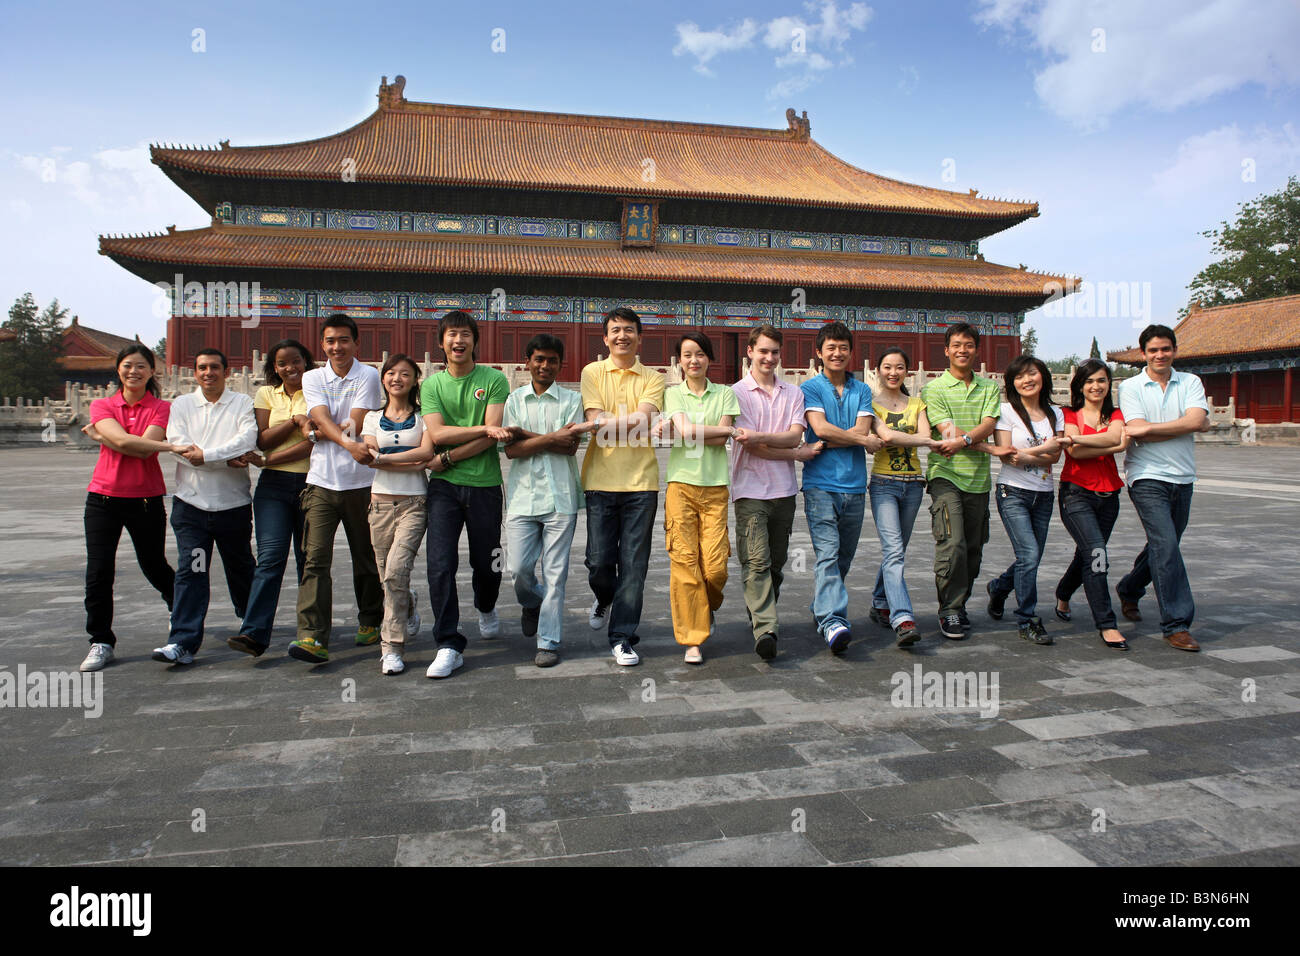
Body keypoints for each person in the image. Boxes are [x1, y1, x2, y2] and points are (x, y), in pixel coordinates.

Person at [421, 310, 515, 679]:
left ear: (475, 341)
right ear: (441, 341)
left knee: (487, 561)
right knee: (439, 564)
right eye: (451, 335)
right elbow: (439, 432)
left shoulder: (493, 379)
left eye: (465, 335)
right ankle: (448, 641)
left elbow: (486, 434)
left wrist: (445, 456)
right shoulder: (431, 385)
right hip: (443, 489)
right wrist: (480, 431)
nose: (458, 341)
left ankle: (486, 605)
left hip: (485, 485)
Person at [78, 344, 182, 672]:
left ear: (153, 371)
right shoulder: (103, 404)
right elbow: (127, 443)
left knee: (153, 564)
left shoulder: (162, 408)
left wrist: (100, 436)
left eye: (141, 366)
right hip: (103, 498)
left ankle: (178, 613)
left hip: (146, 499)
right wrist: (167, 446)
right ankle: (101, 640)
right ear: (118, 370)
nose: (133, 371)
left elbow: (140, 452)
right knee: (98, 571)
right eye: (127, 366)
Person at [288, 314, 385, 664]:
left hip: (362, 484)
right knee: (315, 559)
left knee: (366, 556)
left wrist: (324, 431)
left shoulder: (368, 374)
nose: (336, 347)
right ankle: (312, 636)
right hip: (321, 483)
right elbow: (321, 416)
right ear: (322, 344)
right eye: (330, 341)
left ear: (356, 343)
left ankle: (371, 620)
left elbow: (353, 421)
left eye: (343, 340)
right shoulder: (313, 377)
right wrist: (345, 443)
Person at [153, 348, 260, 665]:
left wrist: (205, 457)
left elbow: (247, 441)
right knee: (192, 569)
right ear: (194, 373)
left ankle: (250, 623)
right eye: (202, 368)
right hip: (193, 506)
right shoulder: (183, 405)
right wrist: (222, 460)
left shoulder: (241, 403)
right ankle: (183, 640)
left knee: (240, 567)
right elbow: (178, 445)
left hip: (233, 505)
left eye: (214, 367)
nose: (208, 373)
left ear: (227, 372)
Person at [1115, 324, 1212, 652]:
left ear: (1174, 350)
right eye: (1153, 350)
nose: (1159, 355)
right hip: (1146, 476)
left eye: (1165, 349)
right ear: (1143, 353)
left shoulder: (1190, 382)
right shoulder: (1131, 387)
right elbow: (1139, 430)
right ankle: (1177, 623)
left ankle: (1129, 588)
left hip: (1183, 477)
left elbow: (1191, 421)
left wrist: (1152, 429)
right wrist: (1186, 425)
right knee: (1167, 546)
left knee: (1163, 545)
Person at [729, 325, 822, 662]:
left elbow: (794, 436)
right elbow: (754, 448)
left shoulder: (793, 394)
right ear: (750, 352)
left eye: (775, 352)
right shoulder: (736, 393)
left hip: (783, 490)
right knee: (756, 560)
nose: (769, 358)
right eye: (763, 351)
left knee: (777, 563)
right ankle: (766, 628)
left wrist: (766, 438)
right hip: (750, 490)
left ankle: (759, 611)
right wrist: (791, 450)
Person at [502, 334, 594, 668]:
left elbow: (570, 446)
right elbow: (510, 450)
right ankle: (532, 602)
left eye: (552, 360)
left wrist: (526, 435)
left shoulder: (572, 400)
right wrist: (551, 437)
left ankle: (548, 641)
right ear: (527, 362)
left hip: (561, 497)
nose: (544, 366)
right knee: (518, 570)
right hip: (523, 497)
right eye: (538, 359)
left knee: (555, 574)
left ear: (559, 364)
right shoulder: (514, 400)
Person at [581, 307, 666, 666]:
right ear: (605, 338)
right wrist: (629, 423)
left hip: (640, 483)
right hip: (600, 480)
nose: (622, 336)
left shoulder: (654, 377)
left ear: (639, 337)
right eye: (615, 330)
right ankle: (604, 597)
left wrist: (611, 421)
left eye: (629, 330)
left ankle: (623, 636)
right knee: (599, 561)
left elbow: (640, 419)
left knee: (634, 565)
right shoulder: (592, 372)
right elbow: (594, 421)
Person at [651, 331, 741, 664]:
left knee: (716, 567)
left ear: (709, 358)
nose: (694, 360)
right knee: (685, 562)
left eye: (700, 354)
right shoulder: (672, 395)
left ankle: (704, 607)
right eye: (687, 355)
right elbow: (695, 433)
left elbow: (716, 441)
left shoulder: (726, 394)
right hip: (681, 486)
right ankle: (692, 639)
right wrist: (721, 430)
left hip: (716, 486)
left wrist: (711, 432)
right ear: (679, 361)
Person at [229, 339, 315, 656]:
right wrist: (295, 421)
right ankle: (253, 633)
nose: (290, 367)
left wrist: (267, 459)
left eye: (296, 360)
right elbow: (262, 439)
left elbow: (314, 442)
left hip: (311, 483)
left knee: (310, 562)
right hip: (273, 488)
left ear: (306, 361)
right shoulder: (266, 394)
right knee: (270, 559)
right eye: (282, 363)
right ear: (274, 368)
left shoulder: (318, 390)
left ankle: (312, 633)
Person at [800, 321, 881, 654]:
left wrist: (834, 438)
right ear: (819, 353)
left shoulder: (862, 390)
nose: (837, 353)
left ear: (850, 352)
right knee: (828, 554)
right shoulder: (810, 388)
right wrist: (859, 440)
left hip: (854, 485)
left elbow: (843, 432)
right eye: (830, 347)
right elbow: (821, 428)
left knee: (843, 557)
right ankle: (833, 619)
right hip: (820, 484)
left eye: (843, 347)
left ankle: (822, 605)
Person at [921, 323, 1001, 640]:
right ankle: (949, 610)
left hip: (978, 479)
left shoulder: (989, 388)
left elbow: (989, 423)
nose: (962, 350)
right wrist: (971, 438)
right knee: (951, 544)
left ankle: (960, 603)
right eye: (956, 345)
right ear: (946, 350)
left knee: (973, 548)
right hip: (945, 474)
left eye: (968, 344)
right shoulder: (934, 389)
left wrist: (967, 439)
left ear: (976, 349)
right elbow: (945, 430)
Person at [362, 354, 437, 675]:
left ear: (414, 379)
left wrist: (386, 458)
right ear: (383, 379)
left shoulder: (424, 418)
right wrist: (408, 460)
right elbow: (367, 454)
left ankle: (391, 647)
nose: (397, 378)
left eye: (404, 374)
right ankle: (407, 601)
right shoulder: (369, 418)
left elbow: (426, 454)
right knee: (387, 578)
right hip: (379, 504)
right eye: (391, 373)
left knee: (395, 571)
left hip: (414, 503)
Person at [984, 355, 1067, 645]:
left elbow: (1056, 456)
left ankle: (999, 587)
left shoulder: (1056, 413)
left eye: (1032, 374)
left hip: (1043, 494)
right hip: (1013, 492)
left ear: (1042, 376)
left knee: (1029, 557)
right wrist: (1042, 450)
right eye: (1019, 376)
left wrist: (1029, 454)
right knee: (1030, 555)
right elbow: (1008, 454)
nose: (1027, 380)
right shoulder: (1006, 411)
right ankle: (1028, 619)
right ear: (1012, 383)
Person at [1053, 359, 1130, 650]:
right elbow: (1074, 452)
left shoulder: (1116, 413)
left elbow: (1102, 438)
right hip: (1076, 494)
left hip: (1109, 496)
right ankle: (1107, 624)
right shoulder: (1069, 413)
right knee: (1098, 554)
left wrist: (1089, 441)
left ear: (1109, 384)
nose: (1096, 386)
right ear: (1080, 386)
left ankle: (1063, 591)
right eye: (1089, 381)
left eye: (1101, 380)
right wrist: (1116, 445)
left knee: (1088, 554)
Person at [867, 348, 940, 647]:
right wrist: (924, 441)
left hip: (912, 485)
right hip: (883, 484)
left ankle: (879, 600)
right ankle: (902, 618)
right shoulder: (870, 406)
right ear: (878, 371)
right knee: (894, 550)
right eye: (887, 367)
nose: (893, 372)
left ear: (907, 371)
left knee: (897, 550)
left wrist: (923, 439)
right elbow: (887, 436)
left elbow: (923, 433)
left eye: (899, 367)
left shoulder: (917, 403)